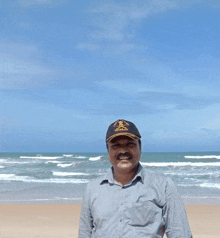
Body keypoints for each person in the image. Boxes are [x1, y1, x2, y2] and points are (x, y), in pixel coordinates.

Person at [78, 119, 192, 238]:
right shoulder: (92, 188)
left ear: (140, 147)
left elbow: (180, 233)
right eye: (116, 146)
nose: (123, 151)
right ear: (108, 150)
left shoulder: (164, 186)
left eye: (130, 144)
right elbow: (84, 233)